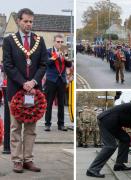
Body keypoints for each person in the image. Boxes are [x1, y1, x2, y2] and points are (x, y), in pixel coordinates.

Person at [3, 8, 47, 173]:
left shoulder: (39, 40)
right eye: (26, 21)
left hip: (34, 92)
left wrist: (34, 82)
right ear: (19, 21)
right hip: (16, 90)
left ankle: (28, 159)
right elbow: (8, 65)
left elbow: (44, 64)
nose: (29, 24)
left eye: (31, 21)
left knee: (31, 128)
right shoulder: (9, 41)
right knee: (15, 127)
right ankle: (17, 160)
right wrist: (23, 83)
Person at [86, 102, 131, 178]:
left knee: (125, 139)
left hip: (113, 123)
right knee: (110, 146)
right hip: (106, 121)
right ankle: (92, 169)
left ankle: (119, 165)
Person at [44, 34, 72, 131]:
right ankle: (47, 124)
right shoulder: (48, 52)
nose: (60, 43)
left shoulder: (64, 52)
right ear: (54, 42)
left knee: (61, 104)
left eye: (61, 42)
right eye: (58, 41)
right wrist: (56, 55)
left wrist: (66, 57)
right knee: (49, 103)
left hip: (62, 80)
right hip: (51, 80)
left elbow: (69, 64)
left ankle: (61, 124)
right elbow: (47, 63)